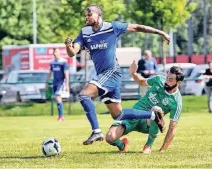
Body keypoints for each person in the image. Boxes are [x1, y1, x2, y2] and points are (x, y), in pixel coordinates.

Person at [65, 5, 170, 145]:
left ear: (99, 14)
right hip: (103, 76)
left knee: (84, 95)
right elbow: (73, 52)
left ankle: (96, 131)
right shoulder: (84, 33)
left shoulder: (112, 27)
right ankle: (153, 115)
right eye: (85, 14)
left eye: (89, 14)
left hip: (112, 73)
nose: (86, 17)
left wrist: (160, 32)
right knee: (118, 115)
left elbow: (138, 27)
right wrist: (68, 45)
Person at [105, 63, 184, 153]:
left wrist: (162, 150)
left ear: (178, 82)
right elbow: (141, 82)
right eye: (167, 78)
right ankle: (122, 145)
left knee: (156, 109)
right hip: (134, 116)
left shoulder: (177, 102)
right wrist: (133, 73)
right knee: (109, 137)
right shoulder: (158, 80)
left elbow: (172, 128)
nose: (166, 82)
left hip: (148, 124)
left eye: (171, 80)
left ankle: (148, 145)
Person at [46, 48, 69, 121]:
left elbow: (66, 73)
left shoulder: (63, 62)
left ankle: (61, 116)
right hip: (54, 82)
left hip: (61, 82)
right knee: (57, 98)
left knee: (58, 97)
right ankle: (61, 116)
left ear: (59, 53)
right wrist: (47, 82)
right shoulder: (52, 62)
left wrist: (67, 84)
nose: (54, 53)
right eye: (54, 52)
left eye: (56, 52)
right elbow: (50, 72)